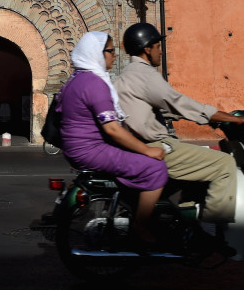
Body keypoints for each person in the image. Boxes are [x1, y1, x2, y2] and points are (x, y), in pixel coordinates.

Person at [114, 23, 244, 225]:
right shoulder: (146, 76)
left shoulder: (124, 77)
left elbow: (161, 108)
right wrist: (233, 118)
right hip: (157, 147)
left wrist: (195, 117)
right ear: (147, 49)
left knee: (198, 169)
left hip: (137, 147)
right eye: (157, 46)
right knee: (225, 164)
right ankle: (213, 227)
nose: (161, 51)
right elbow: (180, 103)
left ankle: (186, 221)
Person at [59, 31, 168, 243]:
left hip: (76, 148)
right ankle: (140, 226)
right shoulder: (94, 84)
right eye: (110, 51)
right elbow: (112, 130)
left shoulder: (76, 80)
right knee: (155, 167)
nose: (114, 56)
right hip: (90, 150)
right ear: (96, 54)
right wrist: (148, 150)